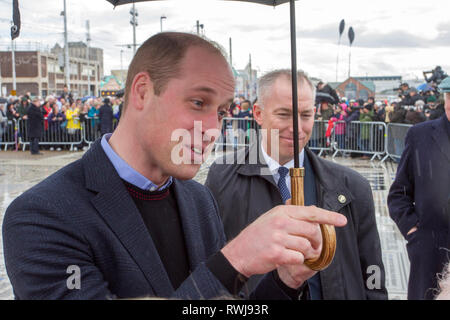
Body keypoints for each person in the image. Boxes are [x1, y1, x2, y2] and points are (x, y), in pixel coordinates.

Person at [2, 32, 347, 300]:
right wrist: (235, 260)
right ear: (141, 91)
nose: (213, 130)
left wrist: (285, 281)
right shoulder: (42, 216)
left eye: (222, 112)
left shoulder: (199, 200)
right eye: (198, 102)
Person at [205, 69, 387, 299]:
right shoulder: (222, 177)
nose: (296, 127)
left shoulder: (354, 186)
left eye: (305, 115)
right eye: (284, 114)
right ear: (259, 113)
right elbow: (211, 267)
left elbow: (373, 276)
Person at [388, 76, 450, 300]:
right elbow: (398, 194)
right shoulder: (420, 135)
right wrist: (414, 233)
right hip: (429, 251)